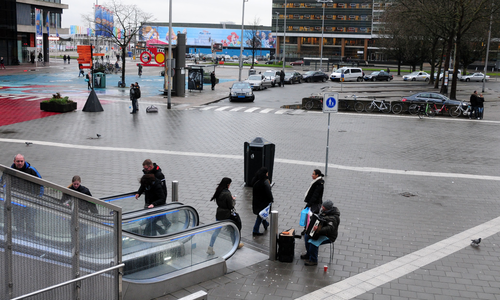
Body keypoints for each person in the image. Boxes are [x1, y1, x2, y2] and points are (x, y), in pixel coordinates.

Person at [207, 177, 244, 255]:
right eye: (229, 184)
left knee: (216, 231)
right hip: (227, 215)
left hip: (219, 213)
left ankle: (210, 247)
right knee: (232, 230)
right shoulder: (227, 193)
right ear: (227, 184)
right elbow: (231, 206)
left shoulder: (218, 190)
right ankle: (235, 244)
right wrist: (233, 199)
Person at [10, 154, 43, 233]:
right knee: (18, 222)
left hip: (30, 202)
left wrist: (38, 197)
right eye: (18, 161)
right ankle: (20, 239)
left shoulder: (31, 170)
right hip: (16, 202)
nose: (20, 163)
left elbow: (41, 183)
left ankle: (31, 238)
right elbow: (3, 184)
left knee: (30, 222)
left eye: (21, 161)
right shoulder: (9, 171)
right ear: (14, 161)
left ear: (24, 161)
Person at [301, 200, 340, 266]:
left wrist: (318, 229)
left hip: (328, 236)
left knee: (313, 242)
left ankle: (313, 260)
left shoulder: (334, 218)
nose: (322, 207)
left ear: (327, 208)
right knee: (307, 236)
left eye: (323, 207)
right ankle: (309, 254)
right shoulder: (324, 212)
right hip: (320, 233)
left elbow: (329, 229)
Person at [252, 167, 273, 236]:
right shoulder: (265, 182)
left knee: (262, 213)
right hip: (263, 202)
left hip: (256, 201)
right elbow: (268, 193)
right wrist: (271, 199)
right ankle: (255, 230)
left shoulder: (255, 180)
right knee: (260, 215)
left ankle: (266, 224)